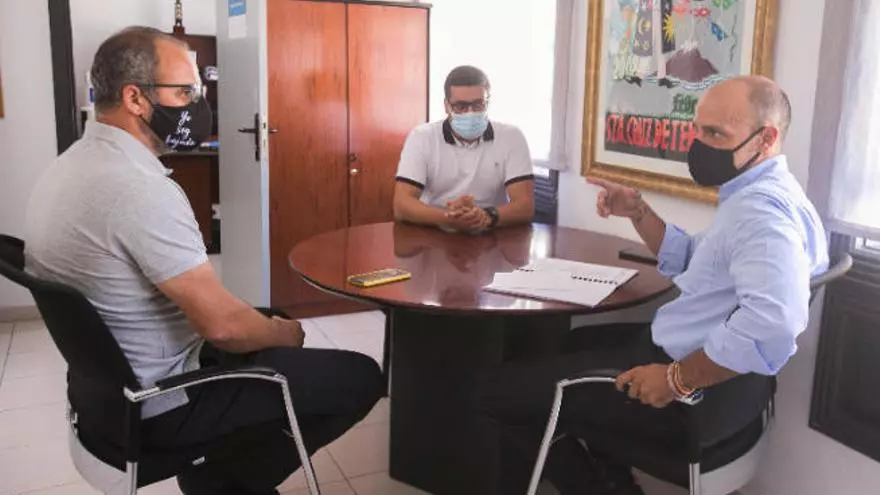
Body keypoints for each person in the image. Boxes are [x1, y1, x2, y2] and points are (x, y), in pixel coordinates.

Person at [24, 27, 383, 495]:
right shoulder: (138, 189)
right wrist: (286, 335)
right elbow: (225, 329)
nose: (198, 104)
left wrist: (264, 325)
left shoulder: (70, 166)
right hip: (165, 403)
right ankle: (223, 482)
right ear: (135, 98)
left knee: (264, 318)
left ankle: (224, 473)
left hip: (108, 401)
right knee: (360, 377)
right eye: (185, 92)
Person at [477, 76, 829, 494]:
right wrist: (638, 211)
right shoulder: (766, 194)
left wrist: (676, 380)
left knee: (497, 391)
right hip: (720, 387)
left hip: (688, 394)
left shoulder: (763, 215)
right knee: (565, 345)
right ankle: (609, 475)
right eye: (697, 130)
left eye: (715, 134)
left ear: (766, 139)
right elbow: (693, 257)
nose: (699, 145)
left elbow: (774, 324)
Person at [393, 65, 535, 233]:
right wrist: (449, 217)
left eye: (478, 104)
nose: (470, 113)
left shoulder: (511, 137)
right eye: (461, 106)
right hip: (435, 232)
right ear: (446, 106)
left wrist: (485, 216)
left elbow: (525, 207)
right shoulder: (422, 137)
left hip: (492, 232)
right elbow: (401, 205)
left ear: (488, 103)